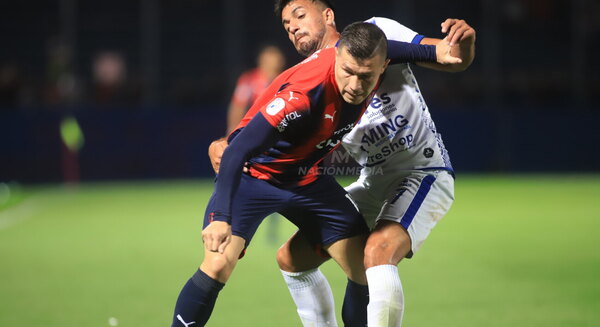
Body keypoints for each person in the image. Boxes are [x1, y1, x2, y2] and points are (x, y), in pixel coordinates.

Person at [172, 22, 459, 327]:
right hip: (254, 178)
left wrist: (438, 49)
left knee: (364, 268)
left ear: (383, 66)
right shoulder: (303, 96)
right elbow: (237, 151)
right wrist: (221, 218)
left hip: (306, 180)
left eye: (366, 76)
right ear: (337, 57)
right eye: (348, 72)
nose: (355, 85)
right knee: (218, 264)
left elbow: (403, 48)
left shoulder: (371, 61)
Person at [227, 45, 286, 134]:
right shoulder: (248, 80)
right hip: (254, 128)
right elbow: (238, 106)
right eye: (269, 61)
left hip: (278, 127)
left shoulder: (285, 80)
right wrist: (232, 131)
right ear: (262, 61)